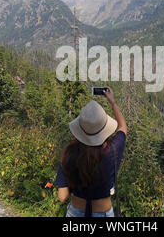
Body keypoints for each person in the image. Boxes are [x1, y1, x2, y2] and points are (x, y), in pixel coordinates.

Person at [54, 86, 127, 217]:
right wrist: (113, 102)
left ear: (81, 130)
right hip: (103, 213)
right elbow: (123, 127)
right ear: (105, 128)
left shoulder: (69, 153)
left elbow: (62, 197)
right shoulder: (113, 150)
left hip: (75, 212)